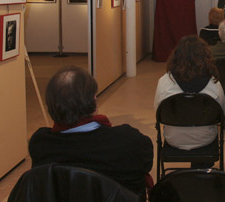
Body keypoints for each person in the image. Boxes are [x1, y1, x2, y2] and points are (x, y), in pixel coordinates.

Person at [28, 66, 153, 196]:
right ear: (94, 101)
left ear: (50, 105)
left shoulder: (40, 145)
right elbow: (145, 164)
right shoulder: (129, 141)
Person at [154, 36, 225, 153]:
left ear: (176, 56)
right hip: (205, 138)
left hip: (174, 138)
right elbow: (221, 113)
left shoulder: (165, 81)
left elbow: (158, 111)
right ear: (205, 57)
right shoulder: (214, 83)